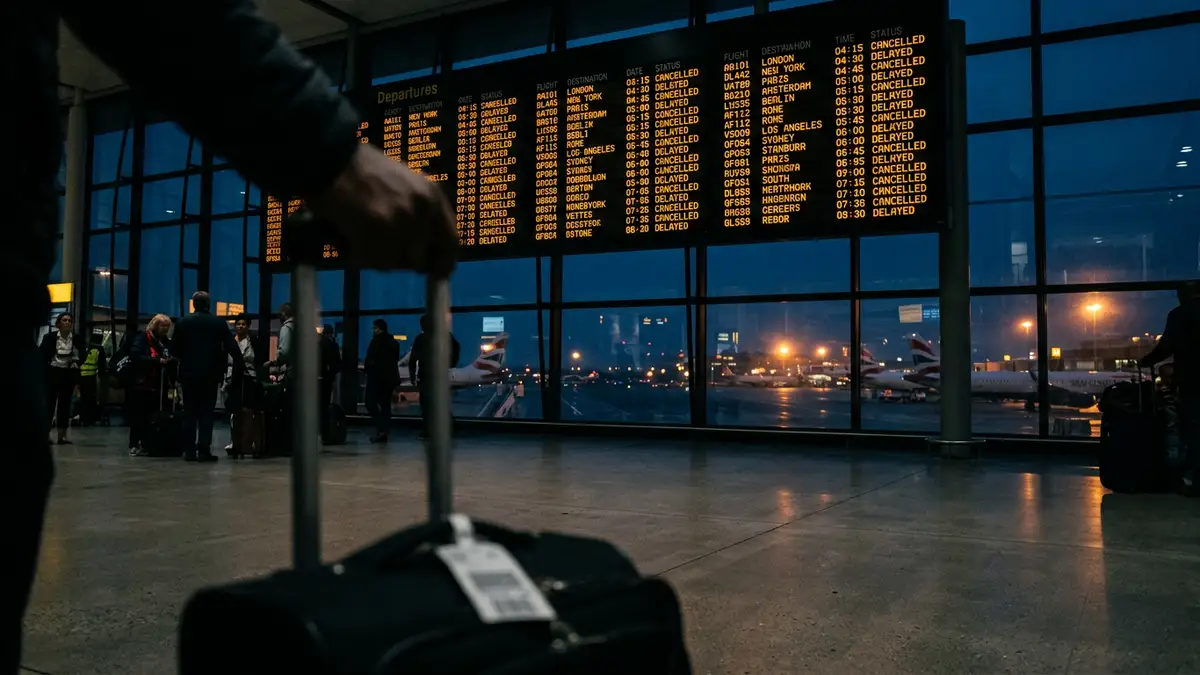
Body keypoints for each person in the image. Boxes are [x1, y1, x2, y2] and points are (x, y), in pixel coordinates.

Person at [5, 3, 459, 669]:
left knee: (188, 415)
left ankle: (192, 446)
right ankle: (194, 446)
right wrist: (326, 149)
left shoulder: (204, 325)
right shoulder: (217, 327)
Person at [1140, 280, 1200, 496]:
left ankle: (1194, 479)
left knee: (1193, 430)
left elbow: (1167, 346)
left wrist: (1145, 361)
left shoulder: (1180, 315)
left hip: (1192, 381)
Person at [172, 292, 242, 463]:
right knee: (206, 413)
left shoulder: (183, 323)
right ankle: (204, 450)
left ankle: (189, 451)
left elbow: (174, 350)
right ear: (208, 305)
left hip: (188, 374)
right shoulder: (218, 323)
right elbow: (232, 347)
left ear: (194, 304)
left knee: (189, 412)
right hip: (210, 374)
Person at [126, 315, 176, 457]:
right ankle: (134, 444)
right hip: (142, 383)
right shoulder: (143, 338)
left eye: (167, 326)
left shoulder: (165, 342)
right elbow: (135, 356)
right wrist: (156, 361)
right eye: (162, 326)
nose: (165, 329)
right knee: (139, 415)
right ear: (155, 326)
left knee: (153, 416)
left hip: (159, 384)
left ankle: (150, 443)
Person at [409, 315, 461, 441]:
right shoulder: (445, 336)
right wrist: (451, 364)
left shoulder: (421, 338)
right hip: (440, 374)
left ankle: (428, 431)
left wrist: (412, 376)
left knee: (426, 405)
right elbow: (456, 348)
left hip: (426, 375)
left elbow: (413, 359)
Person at [39, 313, 84, 445]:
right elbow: (42, 353)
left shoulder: (76, 338)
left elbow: (84, 352)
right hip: (53, 372)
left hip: (68, 373)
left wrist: (77, 362)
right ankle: (45, 435)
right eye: (64, 320)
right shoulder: (50, 338)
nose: (67, 322)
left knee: (65, 405)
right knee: (49, 404)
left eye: (69, 320)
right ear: (58, 323)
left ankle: (62, 436)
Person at [364, 319, 400, 443]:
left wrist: (367, 369)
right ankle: (384, 429)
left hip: (377, 377)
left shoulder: (376, 342)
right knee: (385, 405)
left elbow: (371, 360)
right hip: (390, 378)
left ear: (380, 329)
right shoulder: (393, 342)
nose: (373, 331)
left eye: (374, 328)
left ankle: (381, 428)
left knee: (369, 402)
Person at [77, 334, 108, 426]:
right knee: (90, 398)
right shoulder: (99, 349)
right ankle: (89, 420)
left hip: (81, 376)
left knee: (83, 398)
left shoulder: (86, 348)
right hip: (90, 376)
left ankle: (83, 418)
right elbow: (102, 364)